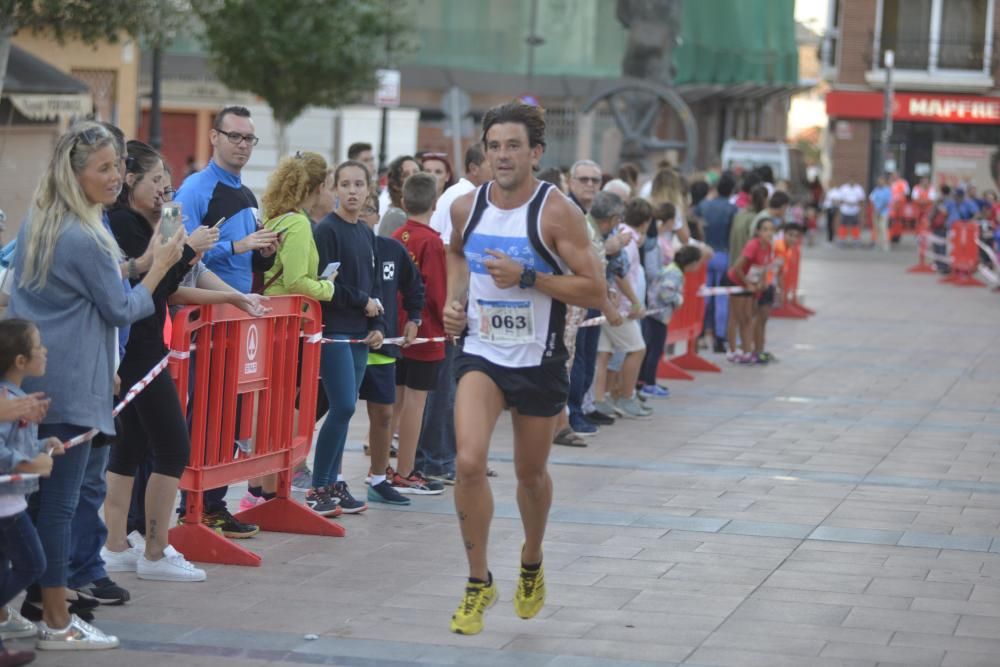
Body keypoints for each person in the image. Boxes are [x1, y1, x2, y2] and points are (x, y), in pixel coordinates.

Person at [9, 121, 183, 649]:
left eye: (118, 167)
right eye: (104, 168)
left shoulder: (44, 218)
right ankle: (57, 619)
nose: (116, 177)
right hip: (72, 384)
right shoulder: (83, 232)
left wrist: (138, 263)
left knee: (37, 504)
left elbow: (91, 286)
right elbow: (120, 306)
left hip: (48, 378)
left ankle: (32, 604)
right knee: (59, 505)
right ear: (75, 173)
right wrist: (159, 269)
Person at [443, 102, 605, 635]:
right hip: (482, 352)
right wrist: (454, 300)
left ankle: (531, 559)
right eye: (494, 146)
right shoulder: (468, 208)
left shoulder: (557, 212)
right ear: (483, 152)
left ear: (535, 152)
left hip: (539, 358)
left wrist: (528, 278)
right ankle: (477, 581)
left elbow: (595, 289)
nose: (503, 156)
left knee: (529, 475)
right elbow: (455, 253)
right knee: (468, 462)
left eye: (514, 146)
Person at [103, 140, 214, 583]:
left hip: (145, 348)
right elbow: (159, 282)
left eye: (167, 185)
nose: (163, 192)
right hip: (140, 353)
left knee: (131, 447)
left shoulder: (143, 223)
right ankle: (154, 550)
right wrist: (189, 249)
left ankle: (116, 546)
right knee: (174, 446)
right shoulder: (123, 224)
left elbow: (163, 281)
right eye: (155, 182)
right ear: (130, 181)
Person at [173, 105, 277, 538]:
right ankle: (193, 505)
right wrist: (237, 247)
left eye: (249, 139)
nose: (242, 145)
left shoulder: (246, 193)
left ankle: (214, 501)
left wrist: (262, 252)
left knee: (230, 415)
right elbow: (182, 251)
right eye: (234, 136)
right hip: (204, 318)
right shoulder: (197, 188)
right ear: (213, 137)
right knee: (203, 412)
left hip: (239, 316)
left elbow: (244, 251)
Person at [244, 151, 337, 508]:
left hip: (269, 322)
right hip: (286, 327)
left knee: (267, 409)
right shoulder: (297, 224)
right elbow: (298, 281)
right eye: (327, 185)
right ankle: (265, 491)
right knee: (278, 410)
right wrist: (328, 288)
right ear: (314, 188)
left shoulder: (273, 216)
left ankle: (261, 489)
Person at [310, 160, 385, 516]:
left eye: (359, 184)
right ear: (334, 189)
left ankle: (334, 480)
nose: (352, 190)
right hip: (334, 330)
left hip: (360, 332)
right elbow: (327, 286)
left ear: (369, 189)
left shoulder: (366, 232)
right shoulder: (327, 230)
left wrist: (379, 324)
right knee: (342, 406)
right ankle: (317, 487)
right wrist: (362, 301)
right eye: (345, 184)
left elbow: (373, 283)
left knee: (347, 408)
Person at [0, 319, 64, 665]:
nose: (45, 351)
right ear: (20, 361)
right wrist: (29, 464)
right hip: (6, 507)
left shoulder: (16, 399)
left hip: (10, 502)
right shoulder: (7, 401)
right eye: (38, 346)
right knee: (33, 563)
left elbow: (14, 443)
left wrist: (43, 445)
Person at [357, 189, 423, 505]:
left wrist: (415, 319)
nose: (364, 212)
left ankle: (379, 477)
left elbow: (414, 286)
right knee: (333, 413)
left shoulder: (392, 250)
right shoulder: (337, 241)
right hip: (346, 344)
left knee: (383, 415)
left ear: (376, 216)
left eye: (370, 208)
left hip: (383, 347)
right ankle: (323, 478)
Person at [391, 173, 448, 494]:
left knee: (395, 404)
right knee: (415, 404)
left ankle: (385, 470)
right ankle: (407, 471)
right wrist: (446, 323)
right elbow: (437, 292)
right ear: (436, 203)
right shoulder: (432, 242)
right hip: (425, 332)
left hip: (396, 330)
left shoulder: (397, 236)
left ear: (403, 202)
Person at [593, 198, 651, 420]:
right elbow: (620, 273)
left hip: (610, 302)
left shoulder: (617, 237)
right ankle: (626, 397)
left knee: (604, 354)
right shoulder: (624, 241)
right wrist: (635, 301)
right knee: (637, 348)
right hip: (619, 306)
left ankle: (600, 399)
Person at [639, 244, 702, 390]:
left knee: (650, 348)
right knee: (655, 349)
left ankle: (644, 380)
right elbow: (666, 293)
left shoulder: (672, 268)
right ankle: (649, 383)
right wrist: (678, 299)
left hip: (655, 313)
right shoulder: (675, 273)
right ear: (692, 263)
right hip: (658, 315)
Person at [724, 214, 775, 364]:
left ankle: (747, 350)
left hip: (750, 283)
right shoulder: (753, 245)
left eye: (771, 230)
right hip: (735, 280)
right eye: (765, 229)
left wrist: (762, 282)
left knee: (747, 318)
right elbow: (737, 267)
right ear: (758, 232)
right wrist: (747, 283)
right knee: (736, 317)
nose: (769, 233)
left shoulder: (769, 247)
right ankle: (732, 351)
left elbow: (763, 268)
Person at [694, 172, 737, 353]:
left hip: (704, 253)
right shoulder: (733, 209)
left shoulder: (703, 206)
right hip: (723, 254)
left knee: (704, 296)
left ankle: (700, 333)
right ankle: (720, 337)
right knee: (721, 297)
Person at [429, 145, 493, 245]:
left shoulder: (459, 191)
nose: (499, 170)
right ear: (474, 169)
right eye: (491, 165)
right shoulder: (465, 196)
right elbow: (448, 245)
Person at [378, 155, 421, 239]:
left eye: (416, 173)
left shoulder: (421, 213)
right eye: (406, 175)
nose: (413, 178)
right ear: (395, 185)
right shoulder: (396, 216)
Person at [835, 179, 866, 244]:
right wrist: (847, 202)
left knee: (855, 225)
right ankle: (842, 239)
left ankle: (856, 239)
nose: (852, 182)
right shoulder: (844, 188)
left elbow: (862, 199)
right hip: (845, 210)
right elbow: (839, 199)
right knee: (843, 224)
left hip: (854, 210)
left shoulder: (858, 188)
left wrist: (855, 203)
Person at [870, 175, 892, 252]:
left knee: (883, 228)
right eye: (879, 181)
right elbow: (872, 199)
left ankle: (885, 245)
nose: (880, 182)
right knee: (877, 229)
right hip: (876, 211)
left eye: (881, 181)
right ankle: (878, 245)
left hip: (884, 212)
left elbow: (887, 202)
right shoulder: (876, 190)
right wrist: (875, 209)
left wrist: (879, 209)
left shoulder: (887, 190)